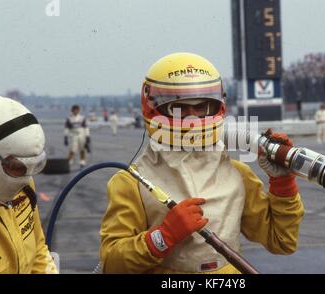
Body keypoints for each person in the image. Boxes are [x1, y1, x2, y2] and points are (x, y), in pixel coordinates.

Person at [99, 52, 304, 274]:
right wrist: (162, 237)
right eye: (179, 108)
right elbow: (111, 265)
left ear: (218, 106)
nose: (192, 117)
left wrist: (283, 183)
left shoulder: (237, 174)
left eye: (201, 107)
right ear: (153, 107)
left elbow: (282, 241)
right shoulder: (132, 182)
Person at [0, 93, 58, 274]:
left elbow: (38, 249)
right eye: (17, 167)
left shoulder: (25, 190)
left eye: (34, 167)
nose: (25, 179)